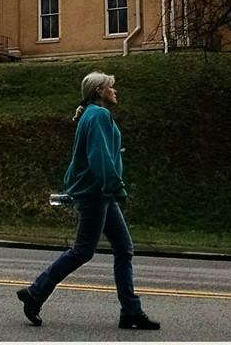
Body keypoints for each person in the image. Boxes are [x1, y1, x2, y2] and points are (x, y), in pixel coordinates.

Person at [15, 71, 160, 330]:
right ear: (99, 92)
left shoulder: (91, 115)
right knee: (83, 251)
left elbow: (101, 155)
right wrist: (118, 187)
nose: (115, 91)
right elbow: (99, 159)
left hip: (99, 193)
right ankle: (35, 293)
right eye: (110, 87)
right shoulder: (99, 115)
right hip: (96, 193)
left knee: (124, 248)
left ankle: (130, 311)